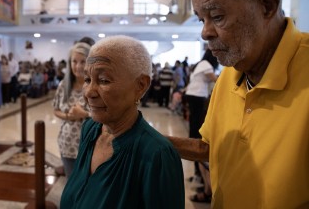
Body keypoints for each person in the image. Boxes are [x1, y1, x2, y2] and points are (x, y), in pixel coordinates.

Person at [167, 0, 309, 208]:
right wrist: (147, 139)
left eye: (217, 16)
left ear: (267, 5)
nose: (205, 33)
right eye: (202, 20)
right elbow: (212, 148)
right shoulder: (228, 77)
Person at [60, 35, 184, 208]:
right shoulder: (90, 129)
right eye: (88, 79)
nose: (89, 92)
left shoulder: (157, 156)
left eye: (103, 80)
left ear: (140, 85)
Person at [52, 42, 92, 178]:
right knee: (71, 184)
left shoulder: (95, 85)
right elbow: (56, 109)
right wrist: (69, 116)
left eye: (83, 61)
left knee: (88, 186)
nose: (78, 66)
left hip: (90, 147)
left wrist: (84, 114)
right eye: (74, 61)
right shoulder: (64, 84)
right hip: (67, 145)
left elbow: (106, 115)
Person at [183, 48, 218, 196]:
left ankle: (198, 170)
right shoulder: (206, 64)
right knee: (197, 133)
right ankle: (199, 169)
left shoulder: (201, 63)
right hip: (197, 97)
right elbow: (215, 79)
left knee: (194, 130)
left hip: (193, 96)